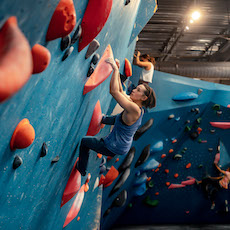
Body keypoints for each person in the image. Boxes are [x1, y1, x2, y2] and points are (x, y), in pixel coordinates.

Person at [76, 57, 156, 176]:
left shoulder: (134, 109)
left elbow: (114, 92)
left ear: (143, 98)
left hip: (115, 146)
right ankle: (103, 119)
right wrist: (117, 71)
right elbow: (121, 91)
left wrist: (114, 69)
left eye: (138, 90)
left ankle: (82, 169)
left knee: (84, 142)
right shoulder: (136, 106)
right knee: (119, 118)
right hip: (121, 140)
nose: (134, 90)